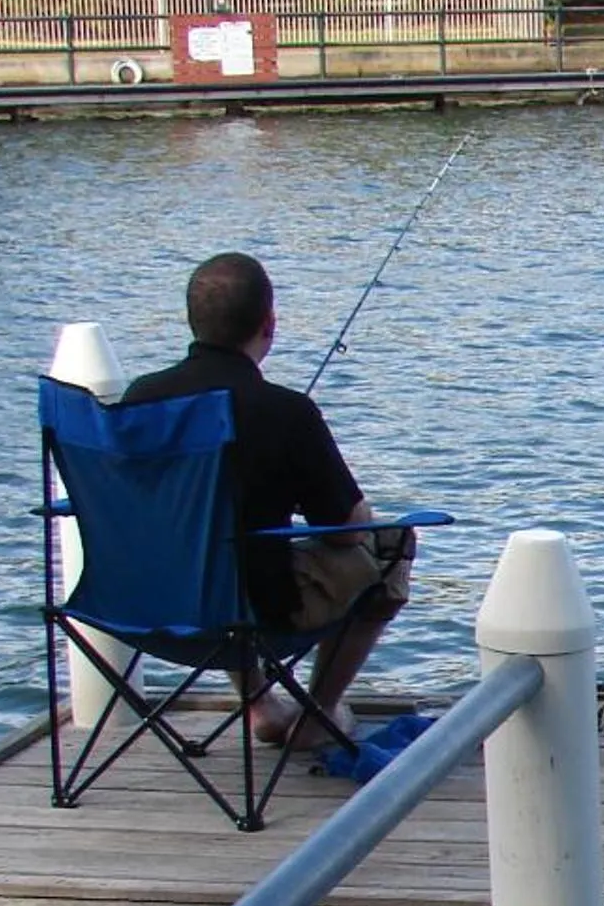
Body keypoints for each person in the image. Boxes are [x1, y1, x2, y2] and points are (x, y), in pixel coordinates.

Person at [120, 252, 414, 750]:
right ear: (269, 324)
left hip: (144, 607)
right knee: (391, 544)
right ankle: (317, 715)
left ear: (192, 321)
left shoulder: (138, 400)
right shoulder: (285, 411)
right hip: (256, 610)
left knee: (219, 552)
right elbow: (346, 530)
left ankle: (260, 702)